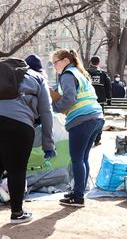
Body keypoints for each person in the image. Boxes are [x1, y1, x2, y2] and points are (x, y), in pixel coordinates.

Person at [0, 57, 55, 223]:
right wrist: (48, 144)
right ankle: (17, 213)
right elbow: (46, 112)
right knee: (16, 169)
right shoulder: (38, 78)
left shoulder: (0, 77)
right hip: (16, 122)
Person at [51, 49, 104, 207]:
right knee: (83, 158)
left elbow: (69, 98)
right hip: (96, 117)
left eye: (56, 62)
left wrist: (55, 107)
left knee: (77, 159)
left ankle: (78, 196)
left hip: (82, 120)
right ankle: (79, 191)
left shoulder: (67, 75)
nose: (54, 66)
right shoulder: (81, 73)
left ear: (66, 61)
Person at [87, 55, 111, 146]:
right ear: (99, 63)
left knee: (88, 119)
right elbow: (108, 87)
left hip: (88, 100)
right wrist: (109, 98)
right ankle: (97, 139)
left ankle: (88, 138)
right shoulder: (103, 74)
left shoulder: (85, 72)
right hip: (100, 100)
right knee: (99, 119)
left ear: (90, 62)